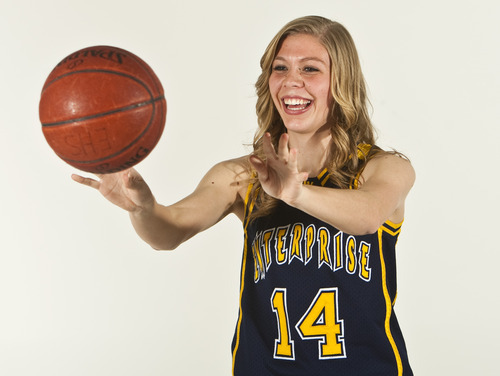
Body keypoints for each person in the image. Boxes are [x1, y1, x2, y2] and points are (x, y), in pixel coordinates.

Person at [73, 15, 415, 376]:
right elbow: (169, 231)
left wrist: (296, 193)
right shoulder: (243, 176)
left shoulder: (383, 168)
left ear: (341, 82)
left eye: (310, 69)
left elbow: (368, 217)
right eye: (279, 68)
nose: (291, 81)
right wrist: (142, 208)